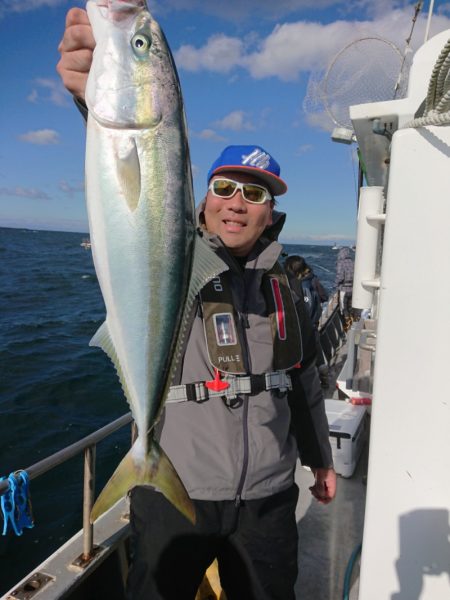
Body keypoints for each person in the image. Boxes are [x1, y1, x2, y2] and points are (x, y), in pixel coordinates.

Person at [57, 9, 337, 600]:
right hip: (174, 488)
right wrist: (97, 95)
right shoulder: (175, 256)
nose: (238, 203)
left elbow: (306, 381)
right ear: (202, 197)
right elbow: (139, 195)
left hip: (267, 497)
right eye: (225, 187)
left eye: (254, 192)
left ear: (271, 210)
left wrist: (322, 462)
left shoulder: (288, 283)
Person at [284, 255, 329, 388]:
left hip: (306, 327)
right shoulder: (313, 279)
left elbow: (305, 309)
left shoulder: (302, 286)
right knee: (317, 352)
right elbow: (324, 296)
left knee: (306, 357)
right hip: (314, 324)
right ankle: (324, 377)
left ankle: (308, 384)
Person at [335, 246, 355, 330]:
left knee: (343, 308)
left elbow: (340, 277)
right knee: (350, 307)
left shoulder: (341, 263)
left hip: (344, 289)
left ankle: (347, 327)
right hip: (352, 289)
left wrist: (335, 285)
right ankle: (353, 324)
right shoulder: (353, 262)